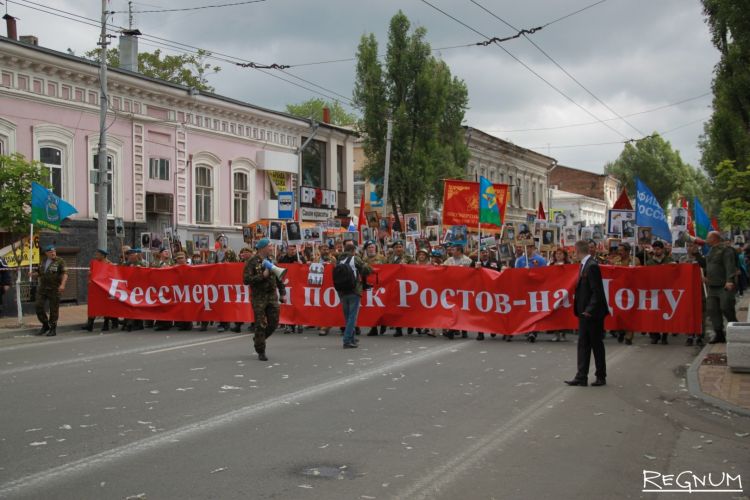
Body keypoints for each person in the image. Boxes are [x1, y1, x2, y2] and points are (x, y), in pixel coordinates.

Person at [565, 240, 608, 387]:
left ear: (577, 251)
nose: (572, 254)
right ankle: (581, 376)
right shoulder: (584, 265)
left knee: (596, 345)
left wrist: (589, 310)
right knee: (583, 344)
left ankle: (601, 376)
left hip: (592, 314)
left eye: (573, 251)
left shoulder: (592, 266)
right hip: (584, 313)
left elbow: (597, 291)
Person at [243, 238, 286, 361]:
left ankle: (258, 339)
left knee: (274, 322)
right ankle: (261, 350)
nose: (272, 248)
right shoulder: (252, 261)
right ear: (263, 248)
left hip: (272, 295)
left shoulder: (272, 260)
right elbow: (246, 280)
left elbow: (279, 278)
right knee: (260, 324)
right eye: (270, 246)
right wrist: (263, 276)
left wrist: (283, 293)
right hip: (259, 297)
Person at [336, 242, 371, 348]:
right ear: (353, 251)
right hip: (354, 290)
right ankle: (347, 340)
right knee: (352, 316)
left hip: (342, 291)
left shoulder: (339, 261)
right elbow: (367, 270)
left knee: (347, 316)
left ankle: (351, 338)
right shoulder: (355, 259)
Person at [704, 231, 738, 344]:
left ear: (714, 238)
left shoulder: (725, 250)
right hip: (712, 286)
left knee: (726, 307)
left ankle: (736, 330)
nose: (706, 240)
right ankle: (719, 334)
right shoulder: (711, 250)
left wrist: (729, 280)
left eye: (708, 238)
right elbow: (709, 265)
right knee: (712, 309)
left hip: (724, 285)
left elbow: (730, 265)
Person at [33, 245, 68, 337]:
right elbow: (39, 273)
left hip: (54, 289)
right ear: (46, 253)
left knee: (54, 310)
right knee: (38, 306)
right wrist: (33, 274)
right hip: (43, 288)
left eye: (54, 252)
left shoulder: (60, 261)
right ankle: (45, 325)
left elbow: (65, 274)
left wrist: (63, 285)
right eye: (50, 252)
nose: (53, 253)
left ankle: (53, 329)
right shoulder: (43, 261)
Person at [645, 240, 673, 345]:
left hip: (666, 291)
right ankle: (655, 335)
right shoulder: (649, 262)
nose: (656, 251)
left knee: (665, 313)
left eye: (658, 249)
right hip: (653, 291)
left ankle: (665, 335)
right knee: (653, 314)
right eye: (655, 249)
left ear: (662, 249)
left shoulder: (669, 260)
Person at [83, 248, 114, 332]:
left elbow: (111, 276)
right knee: (93, 305)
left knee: (105, 306)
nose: (96, 256)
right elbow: (91, 273)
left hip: (104, 288)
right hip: (95, 288)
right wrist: (89, 276)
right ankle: (90, 324)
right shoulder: (94, 263)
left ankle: (106, 324)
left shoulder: (109, 264)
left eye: (98, 255)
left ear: (103, 256)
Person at [278, 245, 306, 334]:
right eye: (291, 249)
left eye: (294, 249)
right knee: (288, 305)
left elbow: (305, 269)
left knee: (298, 303)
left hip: (298, 284)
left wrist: (301, 264)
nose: (292, 250)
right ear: (287, 250)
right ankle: (289, 325)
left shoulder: (300, 257)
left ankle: (299, 323)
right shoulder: (282, 259)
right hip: (287, 284)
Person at [475, 246, 500, 341]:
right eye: (482, 252)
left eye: (486, 252)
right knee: (480, 313)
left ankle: (492, 328)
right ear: (479, 254)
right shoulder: (475, 262)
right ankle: (480, 333)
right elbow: (469, 274)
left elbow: (499, 272)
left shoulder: (495, 263)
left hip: (492, 290)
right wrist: (475, 269)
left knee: (492, 311)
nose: (484, 254)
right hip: (479, 291)